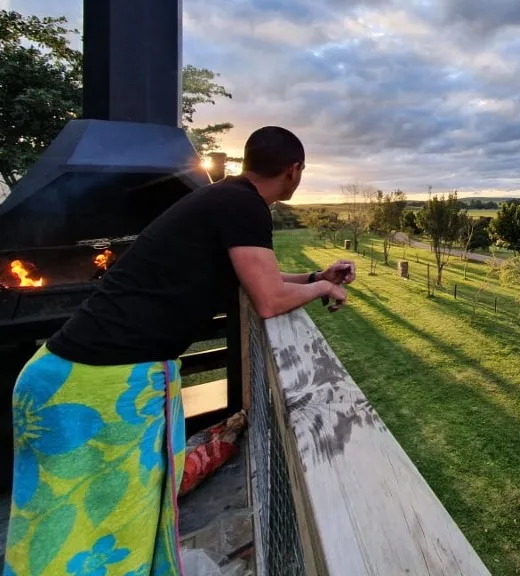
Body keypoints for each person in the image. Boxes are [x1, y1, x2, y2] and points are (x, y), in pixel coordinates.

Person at [4, 126, 352, 576]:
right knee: (97, 539)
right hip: (95, 385)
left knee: (62, 533)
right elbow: (268, 301)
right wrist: (325, 287)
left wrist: (314, 277)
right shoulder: (245, 206)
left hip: (69, 375)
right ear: (294, 171)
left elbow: (262, 278)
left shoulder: (228, 198)